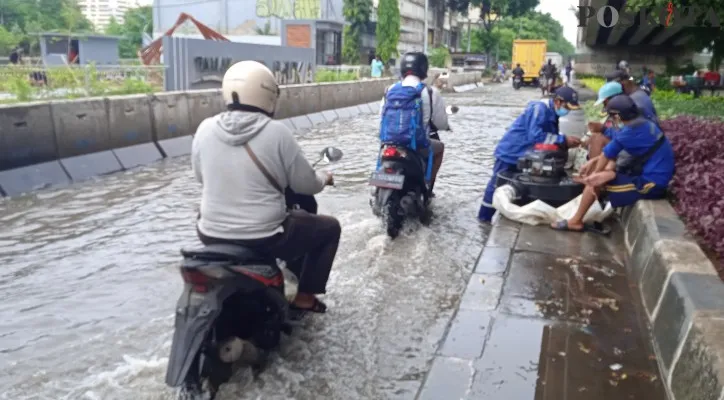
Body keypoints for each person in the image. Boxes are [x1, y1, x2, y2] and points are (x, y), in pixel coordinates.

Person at [192, 60, 340, 314]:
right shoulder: (277, 133)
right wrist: (324, 178)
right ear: (269, 96)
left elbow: (201, 177)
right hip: (265, 237)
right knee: (330, 228)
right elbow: (305, 184)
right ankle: (304, 295)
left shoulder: (205, 128)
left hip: (209, 233)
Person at [551, 94, 674, 232]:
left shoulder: (630, 132)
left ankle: (576, 221)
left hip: (650, 184)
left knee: (599, 183)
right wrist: (594, 163)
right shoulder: (642, 123)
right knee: (603, 174)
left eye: (611, 116)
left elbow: (606, 154)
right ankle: (587, 206)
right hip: (646, 173)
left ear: (617, 116)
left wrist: (595, 177)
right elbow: (612, 147)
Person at [478, 86, 582, 222]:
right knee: (497, 185)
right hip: (511, 153)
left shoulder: (552, 113)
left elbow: (549, 137)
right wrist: (563, 140)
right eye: (566, 107)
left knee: (515, 189)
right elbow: (536, 136)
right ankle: (484, 218)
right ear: (557, 101)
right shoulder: (539, 109)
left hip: (525, 156)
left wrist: (563, 141)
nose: (567, 111)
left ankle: (504, 213)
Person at [378, 52, 449, 195]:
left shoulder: (390, 90)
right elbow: (440, 122)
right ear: (423, 69)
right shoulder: (430, 92)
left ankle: (376, 188)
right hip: (416, 144)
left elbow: (381, 117)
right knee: (440, 148)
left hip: (389, 144)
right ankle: (428, 186)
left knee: (381, 153)